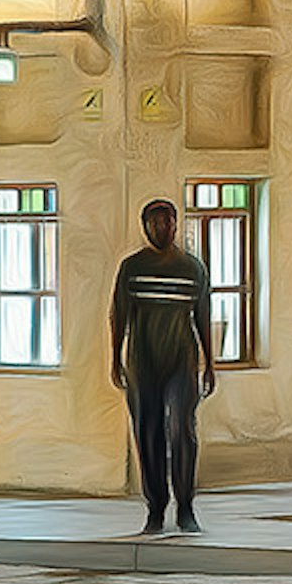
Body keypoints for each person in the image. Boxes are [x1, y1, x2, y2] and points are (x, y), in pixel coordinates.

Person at [109, 198, 218, 536]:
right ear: (146, 227)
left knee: (182, 432)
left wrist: (209, 363)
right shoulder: (132, 267)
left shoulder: (193, 268)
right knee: (148, 433)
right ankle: (155, 510)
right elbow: (118, 315)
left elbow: (202, 316)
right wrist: (115, 358)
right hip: (143, 362)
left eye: (169, 221)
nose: (164, 227)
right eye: (156, 222)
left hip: (181, 361)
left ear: (175, 224)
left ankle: (186, 508)